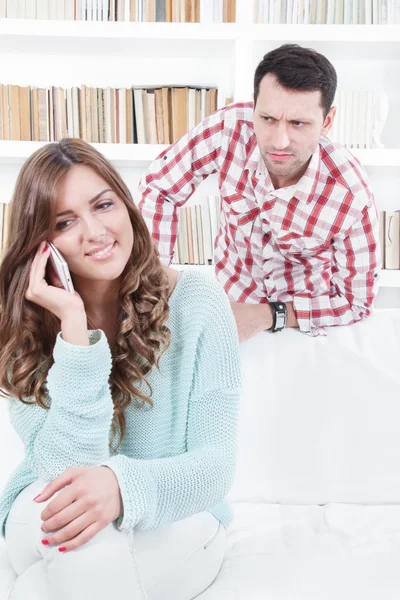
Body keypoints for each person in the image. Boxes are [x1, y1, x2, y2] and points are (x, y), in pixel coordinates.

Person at [0, 138, 241, 600]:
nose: (94, 231)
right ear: (40, 246)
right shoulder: (24, 330)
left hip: (181, 510)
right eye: (64, 222)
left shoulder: (198, 302)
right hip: (47, 504)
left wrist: (121, 486)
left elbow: (216, 465)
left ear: (127, 207)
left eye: (104, 205)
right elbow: (62, 468)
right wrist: (74, 330)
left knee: (52, 579)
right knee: (78, 534)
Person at [138, 44, 380, 340]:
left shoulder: (351, 194)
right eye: (267, 119)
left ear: (326, 122)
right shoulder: (230, 127)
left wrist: (270, 315)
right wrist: (152, 288)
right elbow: (160, 187)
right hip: (227, 307)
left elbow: (357, 302)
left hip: (303, 327)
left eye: (298, 123)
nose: (279, 142)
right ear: (253, 108)